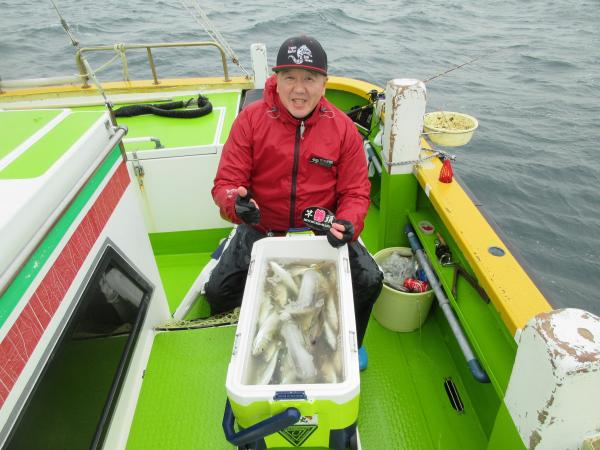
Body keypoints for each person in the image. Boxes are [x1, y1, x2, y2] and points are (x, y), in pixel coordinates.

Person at [205, 35, 382, 357]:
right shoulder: (250, 120)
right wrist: (237, 204)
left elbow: (355, 192)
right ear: (276, 80)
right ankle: (248, 340)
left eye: (309, 79)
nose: (299, 89)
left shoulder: (343, 129)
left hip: (322, 231)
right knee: (218, 291)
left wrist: (347, 222)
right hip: (262, 228)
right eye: (289, 78)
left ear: (324, 84)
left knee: (369, 281)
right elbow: (226, 183)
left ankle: (348, 344)